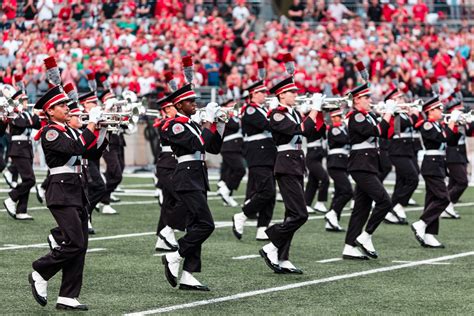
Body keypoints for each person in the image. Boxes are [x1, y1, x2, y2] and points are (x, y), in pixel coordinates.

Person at [29, 85, 103, 310]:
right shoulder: (51, 132)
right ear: (50, 111)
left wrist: (103, 129)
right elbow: (76, 148)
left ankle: (68, 296)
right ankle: (40, 270)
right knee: (75, 242)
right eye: (62, 105)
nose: (68, 108)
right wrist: (90, 125)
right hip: (61, 191)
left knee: (81, 246)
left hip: (76, 189)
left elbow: (92, 152)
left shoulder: (69, 129)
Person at [259, 76, 326, 274]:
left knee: (291, 213)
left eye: (296, 92)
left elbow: (314, 132)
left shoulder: (294, 113)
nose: (296, 95)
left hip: (296, 163)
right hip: (286, 163)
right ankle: (271, 245)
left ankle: (282, 257)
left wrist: (318, 111)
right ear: (281, 95)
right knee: (300, 214)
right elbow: (301, 130)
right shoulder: (276, 114)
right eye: (292, 92)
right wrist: (314, 108)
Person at [161, 83, 224, 291]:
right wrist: (206, 121)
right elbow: (198, 144)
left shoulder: (192, 123)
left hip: (198, 175)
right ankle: (175, 256)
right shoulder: (174, 125)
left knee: (195, 225)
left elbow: (213, 147)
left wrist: (219, 124)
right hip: (187, 176)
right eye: (189, 101)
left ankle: (188, 274)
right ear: (179, 105)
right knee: (206, 224)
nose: (194, 104)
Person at [342, 82, 395, 260]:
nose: (369, 100)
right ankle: (366, 235)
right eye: (365, 97)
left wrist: (386, 114)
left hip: (368, 164)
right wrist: (387, 113)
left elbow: (387, 132)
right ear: (356, 100)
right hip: (361, 164)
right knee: (384, 201)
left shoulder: (367, 115)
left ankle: (349, 246)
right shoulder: (356, 116)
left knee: (361, 208)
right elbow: (376, 131)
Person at [411, 96, 460, 248]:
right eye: (438, 108)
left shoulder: (437, 125)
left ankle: (429, 234)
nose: (441, 110)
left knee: (432, 200)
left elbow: (451, 141)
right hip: (431, 165)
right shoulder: (426, 125)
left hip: (437, 164)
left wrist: (455, 124)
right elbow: (442, 138)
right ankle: (421, 223)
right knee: (443, 198)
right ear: (430, 111)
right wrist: (451, 122)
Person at [232, 80, 276, 241]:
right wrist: (277, 111)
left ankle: (263, 227)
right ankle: (242, 215)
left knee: (271, 194)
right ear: (253, 94)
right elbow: (267, 125)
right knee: (266, 191)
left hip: (269, 154)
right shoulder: (250, 109)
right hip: (258, 154)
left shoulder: (262, 109)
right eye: (262, 92)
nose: (265, 95)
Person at [3, 89, 41, 220]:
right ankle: (12, 198)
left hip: (26, 148)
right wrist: (35, 116)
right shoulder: (13, 113)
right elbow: (22, 124)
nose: (26, 102)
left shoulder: (25, 114)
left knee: (27, 180)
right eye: (23, 100)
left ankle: (21, 210)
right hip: (18, 148)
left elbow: (36, 125)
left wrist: (35, 116)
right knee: (30, 179)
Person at [154, 95, 185, 252]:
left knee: (169, 202)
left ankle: (162, 237)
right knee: (181, 198)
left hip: (173, 165)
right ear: (166, 110)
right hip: (167, 166)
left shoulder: (177, 122)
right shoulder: (165, 124)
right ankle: (168, 231)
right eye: (175, 107)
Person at [384, 88, 419, 225]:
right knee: (413, 179)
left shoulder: (403, 113)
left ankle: (390, 211)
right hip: (398, 151)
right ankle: (397, 205)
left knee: (401, 182)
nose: (403, 100)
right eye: (399, 98)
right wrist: (414, 114)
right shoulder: (394, 113)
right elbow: (403, 126)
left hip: (406, 151)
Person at [441, 98, 472, 218]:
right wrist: (455, 121)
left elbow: (469, 132)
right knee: (462, 182)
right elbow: (450, 138)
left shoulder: (461, 121)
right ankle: (446, 203)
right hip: (453, 154)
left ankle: (447, 208)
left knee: (453, 183)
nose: (462, 112)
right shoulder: (448, 122)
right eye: (459, 110)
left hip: (461, 155)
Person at [325, 106, 352, 232]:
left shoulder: (343, 128)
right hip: (335, 162)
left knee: (338, 192)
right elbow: (343, 139)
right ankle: (332, 213)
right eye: (335, 117)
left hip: (343, 162)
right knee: (347, 191)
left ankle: (332, 221)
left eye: (339, 116)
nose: (337, 119)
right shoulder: (334, 129)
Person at [217, 99, 245, 208]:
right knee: (240, 170)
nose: (233, 106)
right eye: (230, 104)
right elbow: (234, 126)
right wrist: (234, 116)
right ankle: (226, 189)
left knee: (229, 172)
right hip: (229, 147)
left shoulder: (234, 116)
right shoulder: (223, 114)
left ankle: (227, 196)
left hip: (236, 147)